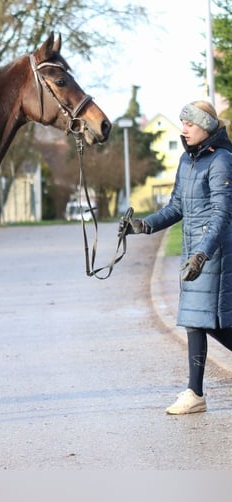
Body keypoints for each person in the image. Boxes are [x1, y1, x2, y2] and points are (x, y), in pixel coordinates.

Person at [121, 100, 232, 414]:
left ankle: (194, 393)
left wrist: (202, 254)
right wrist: (143, 226)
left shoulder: (221, 160)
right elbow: (176, 208)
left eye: (189, 125)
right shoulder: (188, 161)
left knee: (213, 322)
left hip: (214, 252)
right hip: (193, 252)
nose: (183, 130)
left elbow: (223, 214)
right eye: (181, 124)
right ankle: (194, 393)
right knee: (197, 321)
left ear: (206, 127)